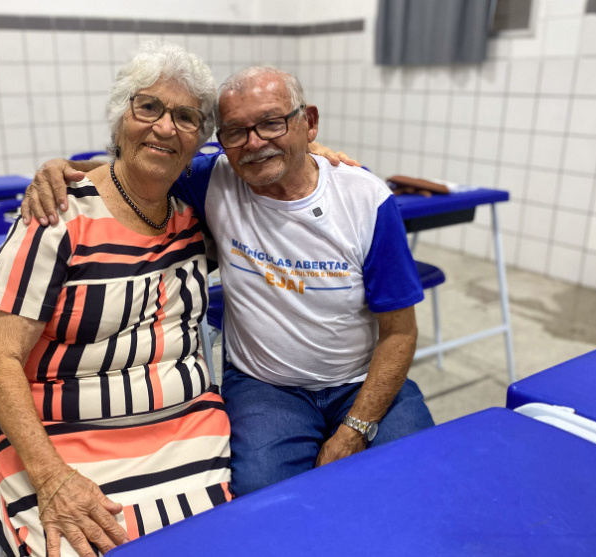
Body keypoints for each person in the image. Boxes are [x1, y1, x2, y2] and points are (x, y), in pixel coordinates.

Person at [23, 65, 434, 498]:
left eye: (272, 123)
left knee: (416, 483)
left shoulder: (365, 200)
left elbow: (400, 332)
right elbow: (136, 170)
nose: (254, 143)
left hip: (361, 379)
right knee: (264, 503)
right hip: (266, 386)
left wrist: (355, 429)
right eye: (235, 131)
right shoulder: (214, 178)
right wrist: (60, 168)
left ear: (308, 122)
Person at [0, 43, 232, 557]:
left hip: (192, 432)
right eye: (149, 108)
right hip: (64, 448)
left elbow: (267, 157)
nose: (166, 127)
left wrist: (318, 153)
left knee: (247, 536)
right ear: (120, 118)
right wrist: (52, 478)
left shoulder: (195, 214)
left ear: (197, 143)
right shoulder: (55, 220)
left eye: (186, 117)